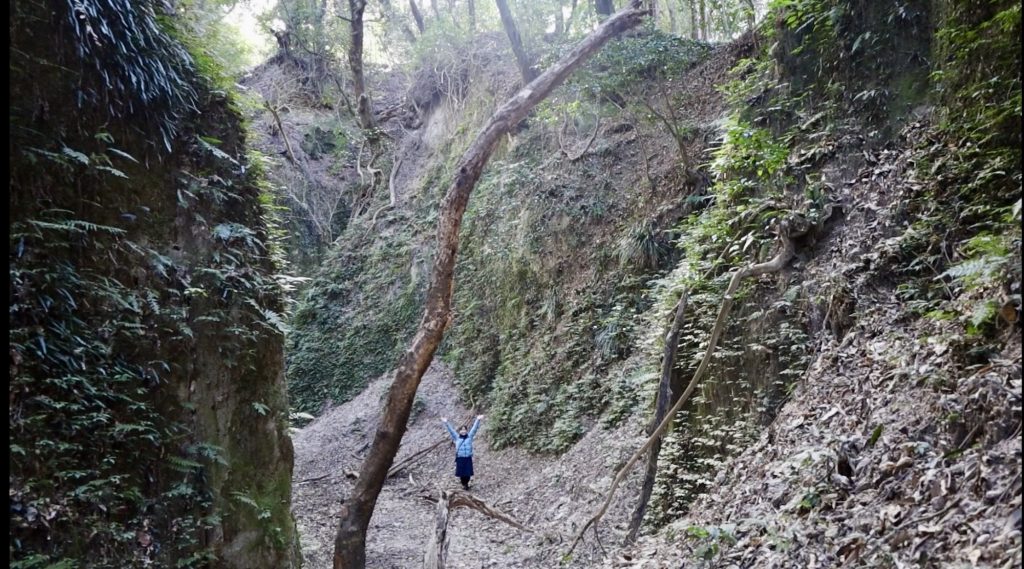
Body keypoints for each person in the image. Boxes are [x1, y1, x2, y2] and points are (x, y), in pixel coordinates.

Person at [441, 414, 483, 490]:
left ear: (466, 431)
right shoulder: (457, 437)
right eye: (461, 430)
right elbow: (451, 430)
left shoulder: (469, 436)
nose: (463, 431)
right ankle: (464, 484)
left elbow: (474, 429)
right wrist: (446, 422)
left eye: (464, 430)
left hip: (468, 458)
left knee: (468, 473)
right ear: (459, 431)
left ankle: (466, 483)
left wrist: (478, 419)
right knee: (462, 474)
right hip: (460, 458)